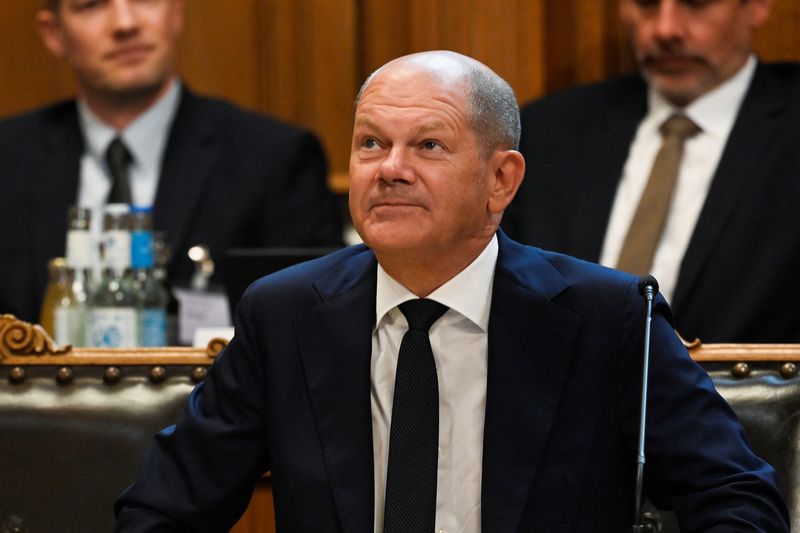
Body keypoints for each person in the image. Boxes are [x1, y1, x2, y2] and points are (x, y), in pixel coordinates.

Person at [113, 51, 789, 532]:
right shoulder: (285, 312)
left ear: (501, 179)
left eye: (429, 145)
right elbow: (164, 507)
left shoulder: (607, 316)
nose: (391, 169)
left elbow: (736, 497)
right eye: (371, 143)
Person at [0, 0, 343, 324]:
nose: (125, 23)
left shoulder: (274, 158)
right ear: (53, 32)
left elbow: (315, 327)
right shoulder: (8, 158)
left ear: (176, 9)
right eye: (92, 4)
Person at [502, 0, 800, 343]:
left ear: (758, 6)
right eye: (646, 4)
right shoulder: (551, 131)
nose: (665, 29)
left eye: (696, 3)